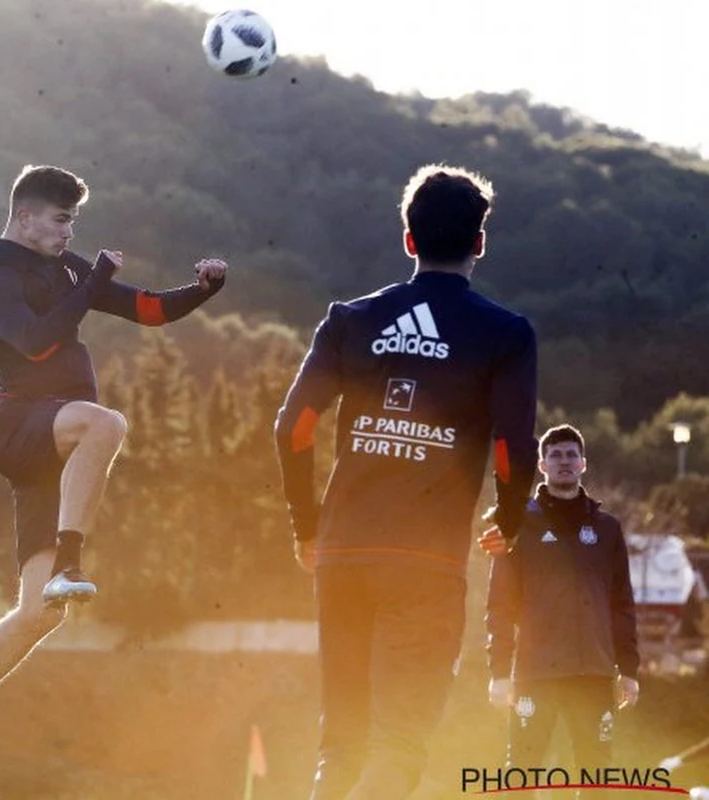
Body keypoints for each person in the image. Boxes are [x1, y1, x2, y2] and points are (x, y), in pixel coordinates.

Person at [0, 164, 228, 789]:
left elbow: (147, 310)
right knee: (106, 425)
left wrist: (204, 288)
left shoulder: (70, 269)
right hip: (21, 430)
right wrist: (95, 275)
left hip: (56, 442)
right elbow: (38, 345)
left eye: (72, 221)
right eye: (59, 220)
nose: (67, 231)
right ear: (24, 217)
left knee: (37, 615)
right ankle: (70, 563)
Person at [273, 163, 538, 799]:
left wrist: (308, 526)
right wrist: (510, 519)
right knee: (399, 744)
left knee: (341, 741)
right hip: (426, 562)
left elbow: (294, 430)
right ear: (480, 242)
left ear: (408, 239)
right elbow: (509, 447)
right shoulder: (505, 334)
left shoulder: (350, 320)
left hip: (343, 553)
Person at [486, 424, 640, 790]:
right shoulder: (518, 524)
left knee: (597, 776)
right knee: (521, 774)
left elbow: (622, 603)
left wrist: (629, 669)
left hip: (594, 673)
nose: (564, 462)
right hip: (535, 673)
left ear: (584, 464)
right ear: (542, 465)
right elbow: (499, 603)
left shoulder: (607, 529)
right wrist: (498, 671)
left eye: (572, 455)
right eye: (555, 455)